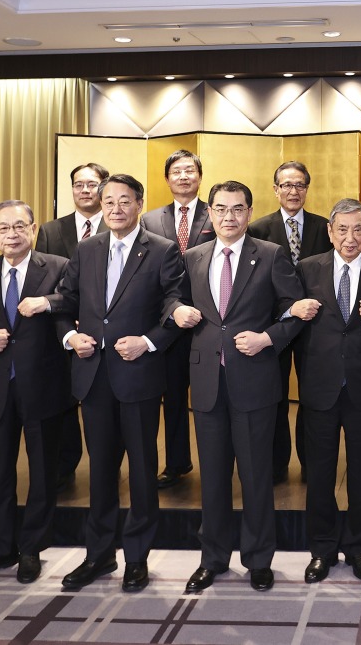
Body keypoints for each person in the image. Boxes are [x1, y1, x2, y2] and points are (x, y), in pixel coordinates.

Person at [53, 174, 185, 594]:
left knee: (143, 471)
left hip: (139, 376)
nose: (114, 208)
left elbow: (174, 305)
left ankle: (137, 557)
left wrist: (148, 342)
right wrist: (70, 337)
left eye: (124, 201)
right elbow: (64, 301)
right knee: (101, 470)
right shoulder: (86, 249)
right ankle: (99, 554)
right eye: (107, 201)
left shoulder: (163, 250)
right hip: (93, 378)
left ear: (139, 204)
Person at [171, 180, 304, 594]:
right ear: (210, 212)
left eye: (238, 209)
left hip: (254, 381)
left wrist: (268, 338)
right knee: (212, 477)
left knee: (256, 477)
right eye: (222, 208)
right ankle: (213, 558)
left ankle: (258, 559)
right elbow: (170, 299)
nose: (230, 216)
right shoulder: (191, 257)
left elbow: (295, 312)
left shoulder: (271, 255)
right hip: (207, 382)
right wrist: (176, 311)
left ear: (249, 212)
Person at [0, 200, 73, 585]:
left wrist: (47, 301)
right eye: (3, 228)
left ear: (33, 229)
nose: (11, 234)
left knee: (42, 474)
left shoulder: (55, 266)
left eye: (19, 226)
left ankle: (32, 549)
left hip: (44, 386)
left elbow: (73, 303)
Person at [290, 199, 361, 584]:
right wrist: (293, 310)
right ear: (330, 232)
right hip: (319, 386)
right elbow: (288, 314)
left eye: (358, 230)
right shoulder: (306, 268)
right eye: (342, 230)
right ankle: (322, 548)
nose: (350, 238)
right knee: (319, 473)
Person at [248, 160, 330, 484]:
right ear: (276, 189)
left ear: (307, 189)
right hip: (276, 328)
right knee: (276, 398)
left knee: (312, 399)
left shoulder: (324, 227)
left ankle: (313, 465)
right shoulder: (258, 229)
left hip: (316, 327)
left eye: (299, 185)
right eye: (286, 185)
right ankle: (276, 465)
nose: (293, 191)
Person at [140, 149, 214, 489]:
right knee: (171, 397)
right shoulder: (150, 220)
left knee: (210, 398)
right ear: (167, 179)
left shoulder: (217, 214)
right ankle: (176, 463)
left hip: (210, 319)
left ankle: (218, 462)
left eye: (189, 170)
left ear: (199, 176)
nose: (183, 176)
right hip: (167, 321)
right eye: (176, 171)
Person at [36, 162, 109, 492]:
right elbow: (43, 278)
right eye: (78, 184)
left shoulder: (121, 224)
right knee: (63, 399)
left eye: (92, 184)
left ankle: (105, 469)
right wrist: (68, 319)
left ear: (104, 188)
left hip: (109, 329)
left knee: (103, 405)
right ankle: (66, 464)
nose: (85, 190)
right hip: (64, 327)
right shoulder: (52, 230)